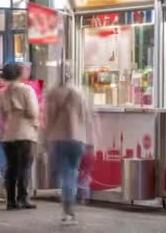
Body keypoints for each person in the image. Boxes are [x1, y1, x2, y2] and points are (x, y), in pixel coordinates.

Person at [45, 79, 93, 226]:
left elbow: (49, 119)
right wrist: (90, 138)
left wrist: (45, 138)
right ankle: (70, 209)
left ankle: (67, 210)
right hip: (77, 139)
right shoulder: (79, 93)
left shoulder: (52, 94)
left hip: (59, 138)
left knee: (65, 173)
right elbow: (87, 117)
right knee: (72, 172)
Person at [0, 63, 39, 211]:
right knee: (24, 168)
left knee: (11, 168)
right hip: (25, 133)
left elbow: (2, 114)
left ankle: (10, 201)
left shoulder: (3, 92)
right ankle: (23, 199)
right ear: (19, 74)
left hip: (9, 134)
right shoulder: (27, 90)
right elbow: (33, 112)